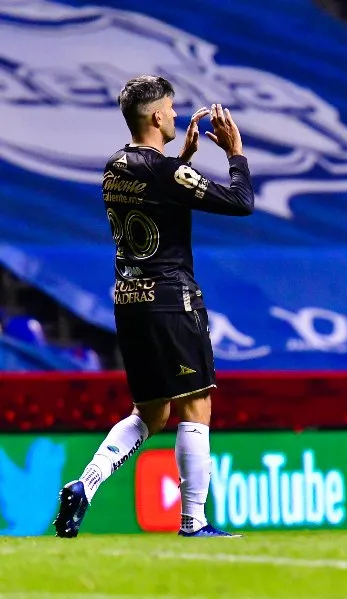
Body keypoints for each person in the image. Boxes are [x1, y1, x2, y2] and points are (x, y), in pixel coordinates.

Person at [53, 76, 254, 538]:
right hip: (172, 301)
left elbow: (156, 192)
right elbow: (241, 202)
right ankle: (193, 521)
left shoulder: (114, 166)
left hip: (129, 301)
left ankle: (85, 484)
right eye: (172, 108)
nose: (177, 115)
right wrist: (235, 153)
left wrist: (179, 161)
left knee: (151, 414)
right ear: (157, 116)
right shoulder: (166, 174)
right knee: (195, 407)